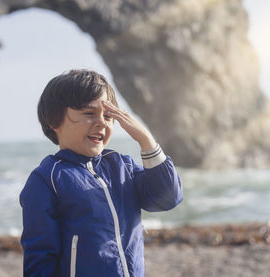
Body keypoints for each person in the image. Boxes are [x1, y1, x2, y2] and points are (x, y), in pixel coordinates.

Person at [20, 69, 183, 277]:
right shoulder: (47, 179)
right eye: (89, 114)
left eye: (108, 116)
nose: (101, 123)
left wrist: (146, 141)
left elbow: (168, 198)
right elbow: (40, 259)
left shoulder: (123, 167)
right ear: (54, 121)